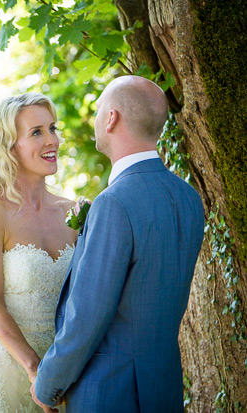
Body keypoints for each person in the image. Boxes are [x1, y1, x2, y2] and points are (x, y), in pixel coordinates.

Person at [31, 75, 205, 412]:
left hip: (111, 392)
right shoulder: (189, 197)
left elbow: (87, 314)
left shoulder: (114, 203)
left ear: (111, 119)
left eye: (98, 111)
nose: (96, 119)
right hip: (164, 386)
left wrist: (48, 384)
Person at [0, 92, 77, 412]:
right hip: (9, 368)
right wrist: (36, 370)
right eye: (36, 132)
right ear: (8, 146)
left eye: (52, 128)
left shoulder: (74, 211)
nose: (52, 140)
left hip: (67, 373)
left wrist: (61, 371)